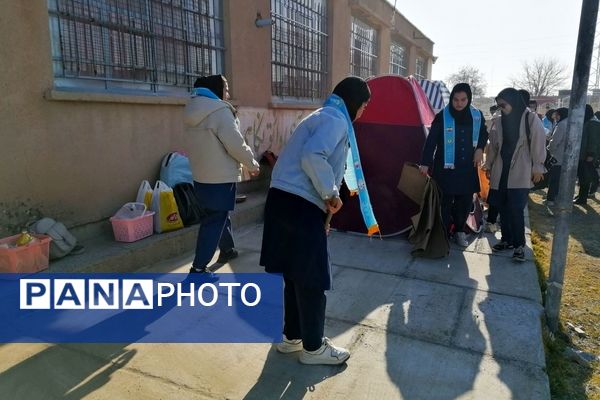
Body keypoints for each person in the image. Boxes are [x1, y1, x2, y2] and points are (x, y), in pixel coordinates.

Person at [260, 76, 370, 365]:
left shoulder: (320, 115)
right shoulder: (335, 120)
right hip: (299, 204)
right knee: (311, 277)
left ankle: (292, 337)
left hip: (282, 200)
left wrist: (323, 209)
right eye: (364, 106)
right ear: (354, 102)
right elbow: (313, 156)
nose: (363, 112)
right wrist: (330, 193)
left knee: (294, 274)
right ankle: (312, 348)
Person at [184, 75, 260, 274]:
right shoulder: (219, 111)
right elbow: (236, 144)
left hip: (201, 176)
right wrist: (252, 164)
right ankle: (198, 268)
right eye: (225, 88)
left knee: (218, 214)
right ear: (215, 89)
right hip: (220, 177)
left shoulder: (192, 109)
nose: (227, 93)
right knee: (215, 218)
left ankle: (227, 249)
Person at [419, 83, 488, 247]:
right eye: (456, 99)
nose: (459, 103)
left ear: (469, 99)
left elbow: (484, 134)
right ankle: (442, 233)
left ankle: (459, 231)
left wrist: (480, 148)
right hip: (445, 168)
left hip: (467, 168)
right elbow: (431, 141)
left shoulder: (477, 116)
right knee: (444, 202)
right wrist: (425, 163)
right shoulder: (443, 116)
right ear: (451, 99)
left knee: (464, 203)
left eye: (463, 99)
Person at [485, 88, 546, 262]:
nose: (501, 108)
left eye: (503, 105)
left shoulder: (530, 118)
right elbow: (493, 146)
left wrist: (538, 167)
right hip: (501, 169)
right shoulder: (498, 120)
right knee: (503, 207)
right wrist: (488, 165)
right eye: (499, 105)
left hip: (521, 169)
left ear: (514, 102)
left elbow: (538, 142)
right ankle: (506, 240)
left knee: (516, 209)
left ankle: (519, 245)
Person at [574, 105, 600, 205]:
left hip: (587, 155)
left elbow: (593, 141)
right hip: (583, 154)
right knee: (582, 176)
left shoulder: (593, 123)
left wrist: (590, 155)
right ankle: (581, 195)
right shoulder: (588, 121)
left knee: (585, 177)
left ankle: (582, 198)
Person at [546, 108, 569, 205]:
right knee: (562, 180)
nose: (555, 117)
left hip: (558, 157)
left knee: (554, 179)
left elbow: (555, 142)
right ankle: (558, 198)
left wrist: (548, 148)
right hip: (567, 157)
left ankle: (551, 199)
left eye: (557, 114)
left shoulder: (561, 125)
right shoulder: (570, 123)